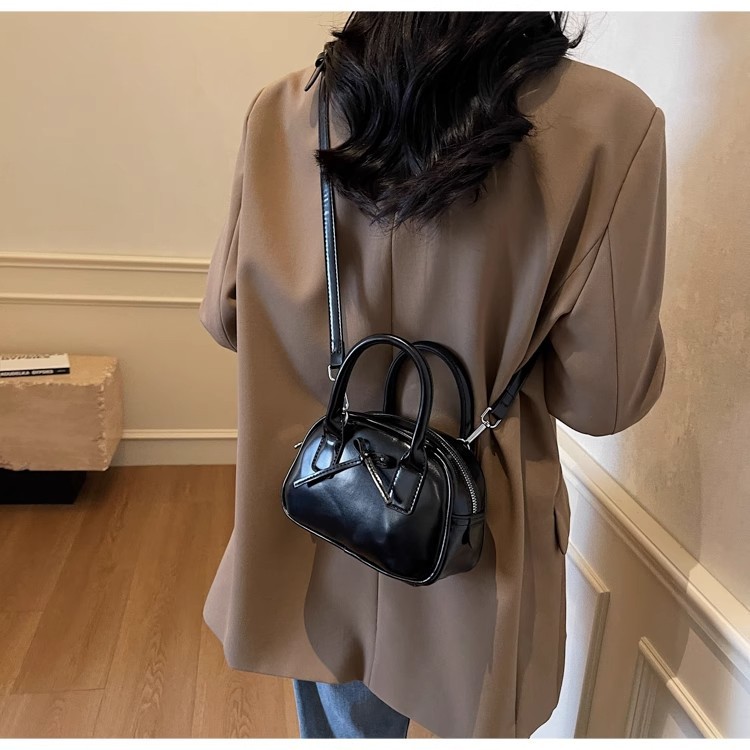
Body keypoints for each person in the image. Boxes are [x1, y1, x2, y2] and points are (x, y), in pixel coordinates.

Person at [199, 11, 667, 739]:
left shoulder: (287, 109)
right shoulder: (614, 123)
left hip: (325, 510)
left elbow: (227, 317)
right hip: (471, 535)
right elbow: (604, 400)